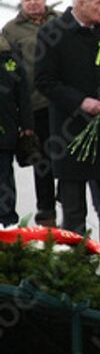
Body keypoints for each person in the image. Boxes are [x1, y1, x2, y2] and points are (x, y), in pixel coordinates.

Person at [35, 0, 100, 255]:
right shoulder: (53, 33)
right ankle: (75, 250)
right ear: (79, 4)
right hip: (72, 130)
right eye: (98, 3)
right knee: (73, 198)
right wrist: (81, 102)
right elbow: (45, 81)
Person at [2, 0, 59, 226]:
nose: (33, 2)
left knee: (68, 158)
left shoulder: (60, 22)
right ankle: (45, 209)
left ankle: (69, 202)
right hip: (36, 104)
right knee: (42, 159)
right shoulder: (12, 31)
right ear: (21, 3)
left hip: (65, 103)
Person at [0, 34, 33, 226]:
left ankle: (6, 221)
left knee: (4, 176)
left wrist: (27, 127)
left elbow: (24, 97)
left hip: (7, 130)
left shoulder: (11, 62)